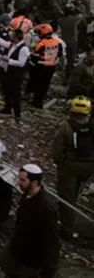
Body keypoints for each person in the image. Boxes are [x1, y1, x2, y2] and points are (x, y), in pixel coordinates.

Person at [0, 164, 59, 278]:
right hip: (19, 247)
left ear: (34, 183)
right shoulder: (28, 194)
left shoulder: (45, 208)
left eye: (22, 180)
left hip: (32, 257)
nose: (18, 182)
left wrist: (49, 270)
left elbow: (52, 241)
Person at [52, 97, 94, 241]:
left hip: (69, 166)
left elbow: (57, 148)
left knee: (65, 197)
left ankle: (66, 230)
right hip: (87, 166)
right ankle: (68, 216)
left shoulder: (66, 126)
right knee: (74, 191)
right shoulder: (92, 126)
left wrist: (58, 161)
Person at [0, 29, 30, 123]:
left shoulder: (23, 49)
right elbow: (2, 43)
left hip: (16, 75)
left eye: (12, 36)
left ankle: (17, 114)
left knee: (15, 94)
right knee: (6, 91)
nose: (10, 37)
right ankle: (7, 108)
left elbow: (21, 63)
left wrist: (8, 60)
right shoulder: (12, 45)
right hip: (8, 72)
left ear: (16, 38)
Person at [30, 24, 63, 108]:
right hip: (52, 67)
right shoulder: (58, 42)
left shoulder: (41, 43)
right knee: (45, 85)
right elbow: (60, 54)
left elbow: (35, 56)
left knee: (38, 84)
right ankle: (39, 102)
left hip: (41, 66)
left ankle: (36, 102)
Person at [58, 5, 84, 81]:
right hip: (72, 41)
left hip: (63, 40)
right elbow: (82, 14)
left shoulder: (60, 20)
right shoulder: (74, 19)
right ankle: (68, 75)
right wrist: (76, 7)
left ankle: (63, 70)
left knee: (63, 57)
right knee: (71, 59)